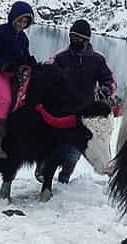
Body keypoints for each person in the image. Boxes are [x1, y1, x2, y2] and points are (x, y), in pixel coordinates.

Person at [37, 19, 116, 183]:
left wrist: (106, 90)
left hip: (84, 115)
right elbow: (46, 74)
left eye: (78, 38)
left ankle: (65, 177)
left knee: (75, 150)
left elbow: (110, 80)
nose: (74, 40)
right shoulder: (60, 57)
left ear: (86, 40)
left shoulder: (97, 60)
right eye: (72, 36)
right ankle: (42, 168)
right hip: (59, 110)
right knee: (51, 143)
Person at [0, 1, 36, 159]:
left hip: (12, 73)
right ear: (13, 18)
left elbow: (24, 57)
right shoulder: (0, 32)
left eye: (25, 21)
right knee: (5, 100)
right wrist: (4, 66)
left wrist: (30, 63)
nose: (22, 24)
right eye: (19, 20)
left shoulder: (23, 38)